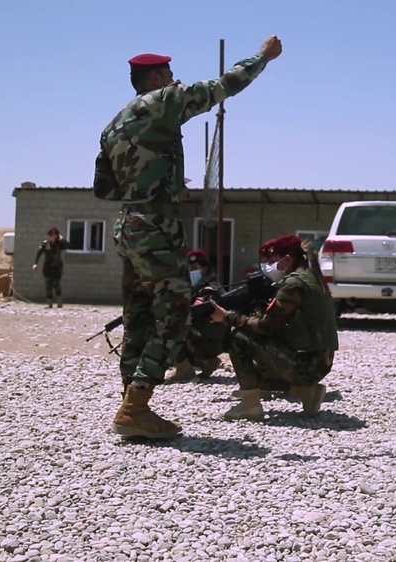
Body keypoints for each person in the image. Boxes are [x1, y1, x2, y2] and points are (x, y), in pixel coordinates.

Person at [101, 36, 283, 439]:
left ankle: (130, 403)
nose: (173, 79)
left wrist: (157, 186)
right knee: (176, 316)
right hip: (157, 228)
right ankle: (136, 407)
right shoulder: (163, 101)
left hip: (128, 226)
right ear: (155, 77)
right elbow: (224, 86)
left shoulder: (115, 123)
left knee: (138, 317)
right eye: (167, 73)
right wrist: (263, 57)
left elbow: (106, 188)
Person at [209, 235, 339, 421]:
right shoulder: (310, 277)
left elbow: (265, 327)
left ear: (287, 259)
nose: (266, 266)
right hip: (318, 363)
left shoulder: (293, 284)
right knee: (256, 340)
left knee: (238, 337)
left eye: (271, 261)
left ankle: (250, 405)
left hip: (305, 366)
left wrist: (227, 317)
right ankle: (307, 391)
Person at [166, 249, 225, 383]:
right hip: (200, 337)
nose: (190, 272)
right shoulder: (189, 288)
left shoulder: (210, 287)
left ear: (204, 269)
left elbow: (200, 308)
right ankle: (207, 361)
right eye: (188, 268)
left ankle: (184, 368)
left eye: (194, 268)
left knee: (171, 325)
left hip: (210, 340)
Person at [32, 227, 68, 308]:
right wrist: (35, 263)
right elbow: (39, 253)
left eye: (52, 235)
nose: (50, 237)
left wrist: (62, 239)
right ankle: (50, 304)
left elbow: (68, 246)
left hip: (57, 267)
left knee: (56, 284)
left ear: (56, 236)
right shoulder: (46, 244)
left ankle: (59, 303)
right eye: (50, 235)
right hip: (47, 267)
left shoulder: (60, 244)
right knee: (48, 285)